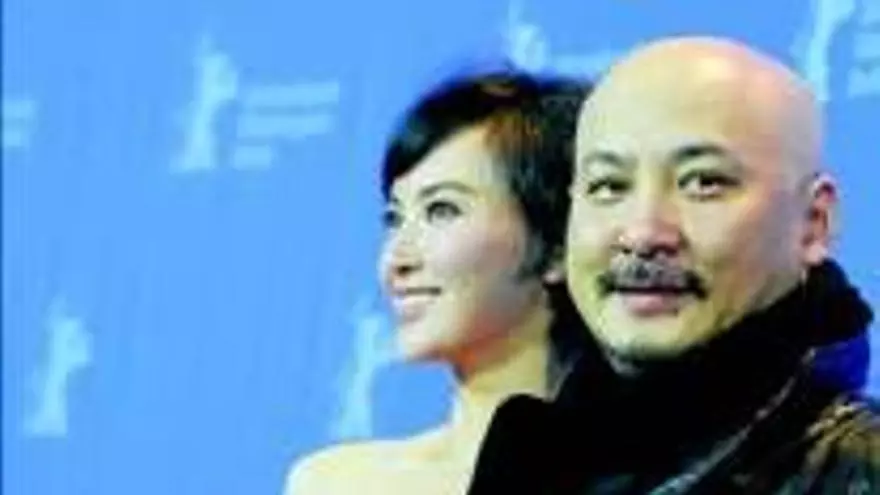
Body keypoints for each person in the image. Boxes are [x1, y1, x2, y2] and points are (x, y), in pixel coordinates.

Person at [467, 36, 878, 494]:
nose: (642, 234)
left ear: (814, 223)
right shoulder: (533, 458)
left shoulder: (857, 469)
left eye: (703, 182)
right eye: (608, 186)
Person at [284, 68, 592, 494]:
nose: (396, 260)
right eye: (394, 219)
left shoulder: (650, 482)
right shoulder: (335, 483)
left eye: (442, 210)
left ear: (558, 246)